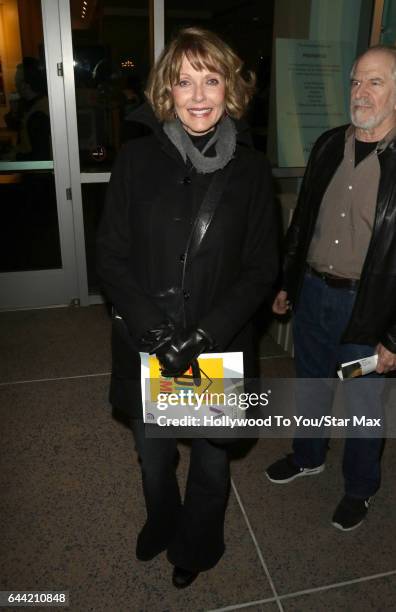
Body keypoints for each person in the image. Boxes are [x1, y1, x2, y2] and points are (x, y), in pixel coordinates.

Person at [96, 28, 278, 587]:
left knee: (210, 458)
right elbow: (110, 254)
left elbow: (260, 268)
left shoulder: (248, 171)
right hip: (147, 344)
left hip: (214, 348)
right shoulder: (134, 160)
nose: (198, 96)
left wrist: (203, 335)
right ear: (165, 92)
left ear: (231, 89)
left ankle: (196, 546)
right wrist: (153, 330)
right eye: (184, 81)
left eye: (211, 79)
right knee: (154, 459)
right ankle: (161, 519)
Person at [266, 45, 396, 531]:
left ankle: (360, 488)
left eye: (375, 82)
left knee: (363, 404)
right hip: (315, 292)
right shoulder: (327, 145)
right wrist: (287, 280)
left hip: (368, 310)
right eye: (356, 81)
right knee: (312, 383)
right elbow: (302, 223)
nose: (361, 92)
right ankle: (308, 455)